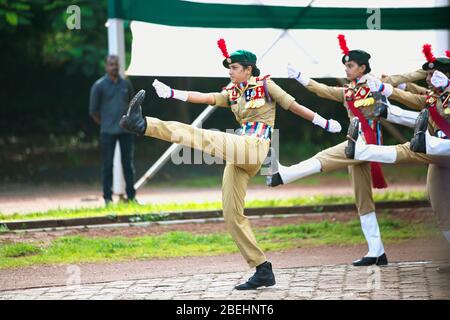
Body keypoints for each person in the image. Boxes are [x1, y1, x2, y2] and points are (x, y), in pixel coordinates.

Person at [120, 39, 342, 290]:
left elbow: (293, 105)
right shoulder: (233, 92)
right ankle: (262, 269)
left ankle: (145, 125)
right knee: (231, 214)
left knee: (203, 136)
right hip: (241, 154)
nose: (230, 71)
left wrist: (323, 123)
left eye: (234, 67)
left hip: (256, 146)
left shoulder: (266, 84)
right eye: (230, 67)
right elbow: (207, 98)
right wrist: (173, 93)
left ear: (248, 69)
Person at [266, 34, 412, 266]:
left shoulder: (376, 85)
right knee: (362, 199)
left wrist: (392, 86)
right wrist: (300, 77)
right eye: (345, 65)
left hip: (367, 143)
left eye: (350, 65)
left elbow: (404, 93)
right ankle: (377, 252)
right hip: (358, 145)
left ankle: (283, 175)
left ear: (362, 67)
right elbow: (322, 90)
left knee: (326, 156)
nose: (346, 69)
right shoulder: (348, 91)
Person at [345, 45, 450, 272]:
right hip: (440, 157)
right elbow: (412, 96)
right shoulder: (432, 97)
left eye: (435, 74)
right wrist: (388, 87)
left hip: (442, 150)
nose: (430, 78)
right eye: (429, 75)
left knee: (409, 150)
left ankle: (363, 150)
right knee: (439, 204)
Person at [89, 55, 137, 205]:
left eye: (116, 64)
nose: (114, 67)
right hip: (107, 132)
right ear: (106, 66)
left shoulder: (126, 84)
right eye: (111, 64)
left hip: (126, 132)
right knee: (108, 165)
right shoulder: (99, 85)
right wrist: (105, 124)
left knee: (128, 164)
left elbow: (133, 105)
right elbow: (93, 111)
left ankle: (131, 197)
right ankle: (107, 198)